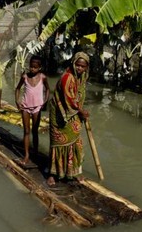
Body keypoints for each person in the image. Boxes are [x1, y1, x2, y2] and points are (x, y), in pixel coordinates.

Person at [46, 51, 90, 187]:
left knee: (75, 142)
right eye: (78, 65)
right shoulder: (67, 77)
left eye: (83, 66)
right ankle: (52, 174)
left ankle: (74, 171)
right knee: (57, 144)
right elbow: (68, 99)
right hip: (60, 115)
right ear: (73, 63)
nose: (80, 69)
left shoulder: (82, 78)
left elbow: (79, 96)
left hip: (74, 114)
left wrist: (81, 111)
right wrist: (81, 111)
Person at [14, 54, 50, 167]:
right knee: (26, 131)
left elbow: (48, 89)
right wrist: (17, 101)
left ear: (39, 68)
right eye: (31, 66)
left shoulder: (43, 77)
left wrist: (45, 101)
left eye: (35, 67)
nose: (32, 69)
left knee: (35, 131)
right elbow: (17, 88)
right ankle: (27, 155)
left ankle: (35, 154)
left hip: (37, 107)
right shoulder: (25, 76)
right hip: (25, 106)